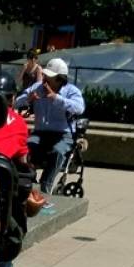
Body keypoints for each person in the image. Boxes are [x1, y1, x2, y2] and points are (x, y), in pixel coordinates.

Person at [14, 57, 84, 200]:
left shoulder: (71, 91)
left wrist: (56, 98)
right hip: (40, 133)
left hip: (63, 134)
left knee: (58, 151)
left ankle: (46, 187)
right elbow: (15, 102)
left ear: (59, 79)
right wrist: (28, 99)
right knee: (24, 148)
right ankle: (27, 182)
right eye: (45, 75)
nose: (45, 78)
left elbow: (79, 108)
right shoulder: (37, 87)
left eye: (49, 77)